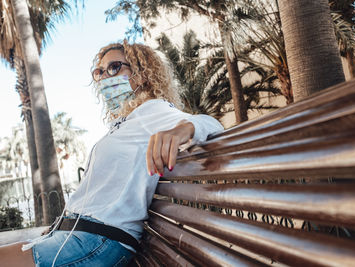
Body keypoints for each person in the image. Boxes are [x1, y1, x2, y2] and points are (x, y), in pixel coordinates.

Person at [0, 40, 224, 266]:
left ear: (142, 74)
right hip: (77, 235)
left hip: (97, 241)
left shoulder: (153, 111)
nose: (105, 77)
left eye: (115, 67)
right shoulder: (125, 123)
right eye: (99, 72)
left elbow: (211, 124)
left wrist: (183, 129)